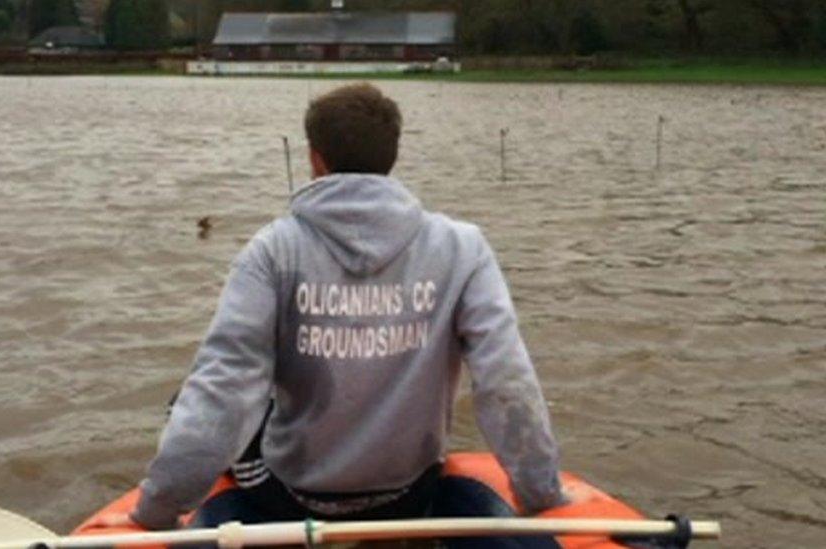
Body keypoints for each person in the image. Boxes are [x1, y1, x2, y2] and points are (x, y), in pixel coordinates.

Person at [99, 83, 565, 536]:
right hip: (408, 492)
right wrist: (542, 495)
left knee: (190, 401)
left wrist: (155, 511)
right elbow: (507, 380)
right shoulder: (463, 248)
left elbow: (223, 387)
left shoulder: (272, 250)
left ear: (315, 158)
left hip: (294, 496)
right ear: (392, 156)